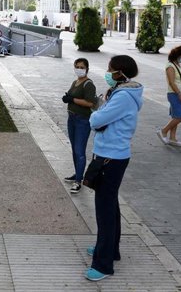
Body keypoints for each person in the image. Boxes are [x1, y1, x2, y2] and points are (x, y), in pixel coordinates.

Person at [86, 55, 143, 282]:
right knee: (110, 204)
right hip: (111, 154)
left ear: (120, 72)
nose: (108, 74)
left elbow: (96, 120)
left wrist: (96, 114)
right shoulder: (121, 93)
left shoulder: (123, 98)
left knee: (105, 210)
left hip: (111, 157)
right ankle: (110, 249)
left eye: (110, 70)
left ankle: (103, 264)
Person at [62, 58, 97, 194]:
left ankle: (78, 181)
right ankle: (77, 174)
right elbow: (72, 95)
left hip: (82, 120)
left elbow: (90, 103)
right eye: (77, 66)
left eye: (82, 67)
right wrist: (68, 98)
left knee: (79, 150)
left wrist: (73, 99)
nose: (79, 69)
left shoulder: (88, 84)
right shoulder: (75, 82)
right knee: (74, 149)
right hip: (72, 118)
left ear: (87, 68)